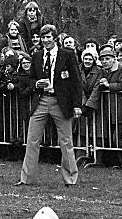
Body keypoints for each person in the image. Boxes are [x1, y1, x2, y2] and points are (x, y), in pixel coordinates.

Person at [15, 24, 82, 187]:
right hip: (41, 100)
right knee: (32, 139)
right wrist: (36, 83)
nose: (45, 40)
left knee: (66, 141)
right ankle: (26, 178)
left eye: (48, 37)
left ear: (55, 38)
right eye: (43, 37)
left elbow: (76, 81)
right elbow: (30, 79)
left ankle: (71, 179)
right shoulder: (37, 56)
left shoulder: (67, 55)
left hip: (61, 102)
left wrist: (77, 105)